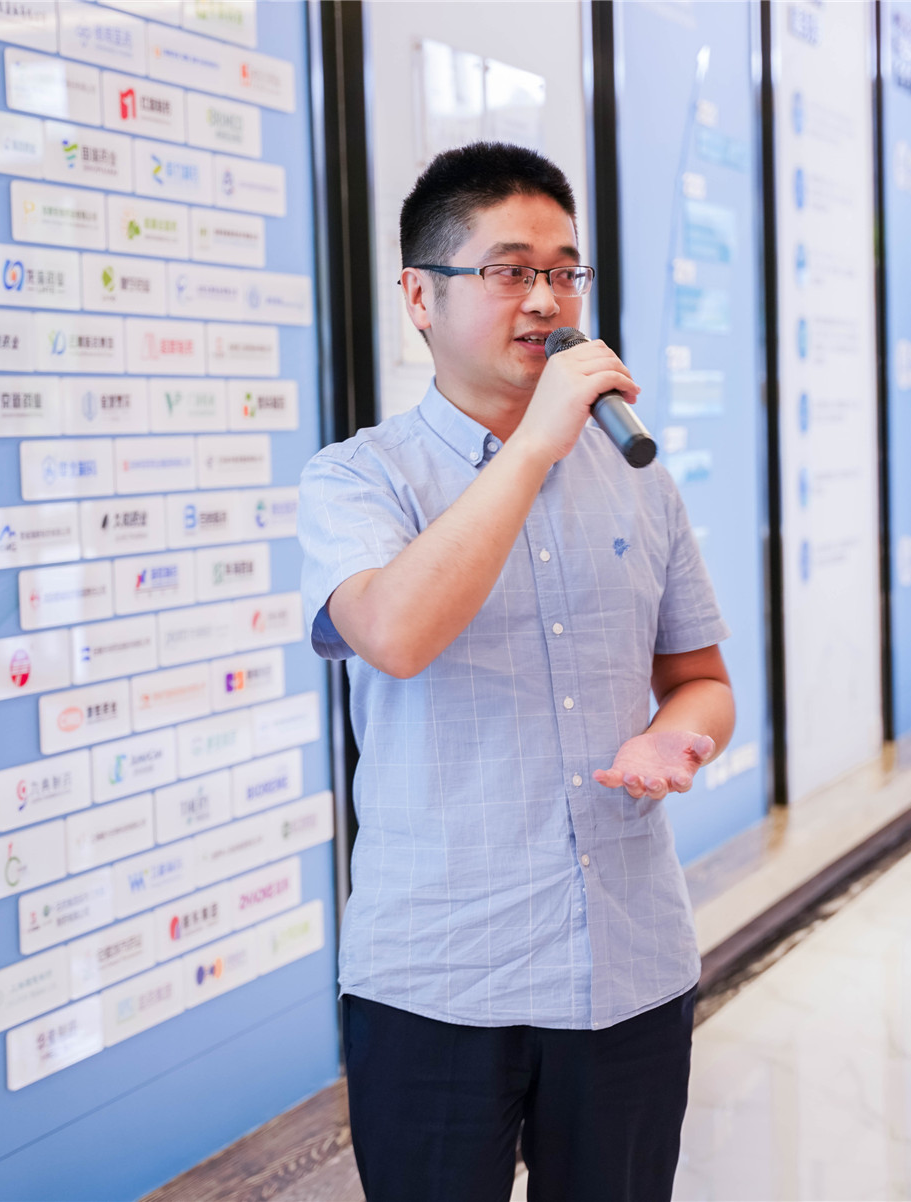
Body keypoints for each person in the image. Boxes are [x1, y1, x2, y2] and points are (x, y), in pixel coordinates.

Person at [297, 142, 735, 1202]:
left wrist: (676, 732)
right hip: (439, 978)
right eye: (508, 270)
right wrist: (534, 445)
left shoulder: (638, 476)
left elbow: (702, 678)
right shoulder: (357, 477)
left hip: (627, 965)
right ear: (421, 296)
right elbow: (395, 634)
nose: (546, 298)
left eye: (565, 271)